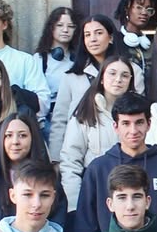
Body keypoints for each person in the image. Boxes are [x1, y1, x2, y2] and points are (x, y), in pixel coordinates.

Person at [71, 93, 157, 232]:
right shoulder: (98, 169)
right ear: (115, 127)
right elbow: (85, 226)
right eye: (126, 123)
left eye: (139, 122)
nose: (133, 130)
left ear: (149, 124)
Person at [50, 15, 143, 159]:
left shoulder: (132, 71)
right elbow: (60, 120)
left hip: (125, 152)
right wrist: (55, 159)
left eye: (98, 33)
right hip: (81, 153)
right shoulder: (72, 76)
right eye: (87, 35)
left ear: (111, 37)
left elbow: (139, 112)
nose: (92, 39)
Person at [60, 55, 135, 210]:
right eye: (112, 73)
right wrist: (75, 204)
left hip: (130, 195)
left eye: (124, 75)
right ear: (101, 78)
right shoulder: (85, 114)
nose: (118, 79)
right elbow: (70, 161)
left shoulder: (139, 115)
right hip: (94, 192)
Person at [34, 5, 78, 98]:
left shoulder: (80, 58)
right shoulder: (40, 59)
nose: (65, 30)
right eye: (59, 25)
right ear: (51, 28)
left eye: (71, 26)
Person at [114, 0, 156, 71]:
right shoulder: (115, 41)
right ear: (126, 9)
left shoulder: (150, 43)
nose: (144, 12)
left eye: (148, 9)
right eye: (139, 7)